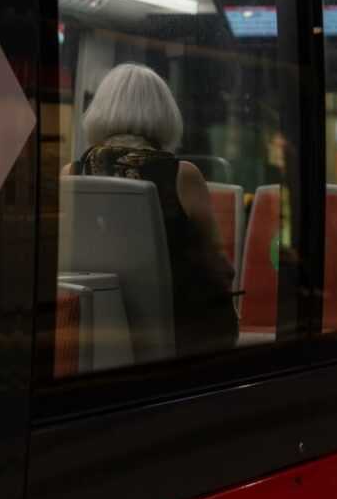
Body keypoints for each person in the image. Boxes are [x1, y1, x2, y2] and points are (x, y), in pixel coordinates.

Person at [63, 63, 238, 357]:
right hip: (181, 333)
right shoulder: (182, 175)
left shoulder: (71, 173)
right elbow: (218, 264)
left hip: (95, 330)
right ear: (164, 114)